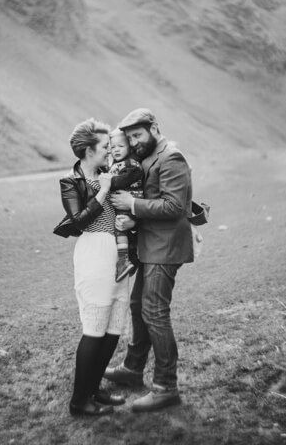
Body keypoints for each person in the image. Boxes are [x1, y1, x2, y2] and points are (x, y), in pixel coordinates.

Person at [105, 108, 194, 412]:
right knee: (136, 305)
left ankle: (166, 387)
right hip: (150, 243)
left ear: (154, 127)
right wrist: (133, 219)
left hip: (165, 247)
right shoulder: (147, 156)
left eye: (138, 135)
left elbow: (174, 206)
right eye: (129, 137)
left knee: (155, 311)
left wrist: (132, 204)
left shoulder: (171, 157)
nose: (134, 142)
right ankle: (132, 370)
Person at [59, 118, 130, 416]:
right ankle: (79, 401)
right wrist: (102, 191)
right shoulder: (70, 182)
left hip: (120, 254)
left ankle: (94, 389)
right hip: (94, 253)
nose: (109, 151)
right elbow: (78, 222)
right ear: (88, 150)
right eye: (104, 146)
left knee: (114, 328)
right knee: (94, 330)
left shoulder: (111, 173)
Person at [107, 129, 144, 282]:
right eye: (113, 147)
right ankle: (133, 258)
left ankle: (123, 261)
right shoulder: (118, 163)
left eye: (120, 146)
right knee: (125, 232)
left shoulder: (132, 164)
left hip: (130, 202)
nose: (116, 150)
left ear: (129, 147)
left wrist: (108, 182)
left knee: (119, 227)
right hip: (123, 203)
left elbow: (122, 180)